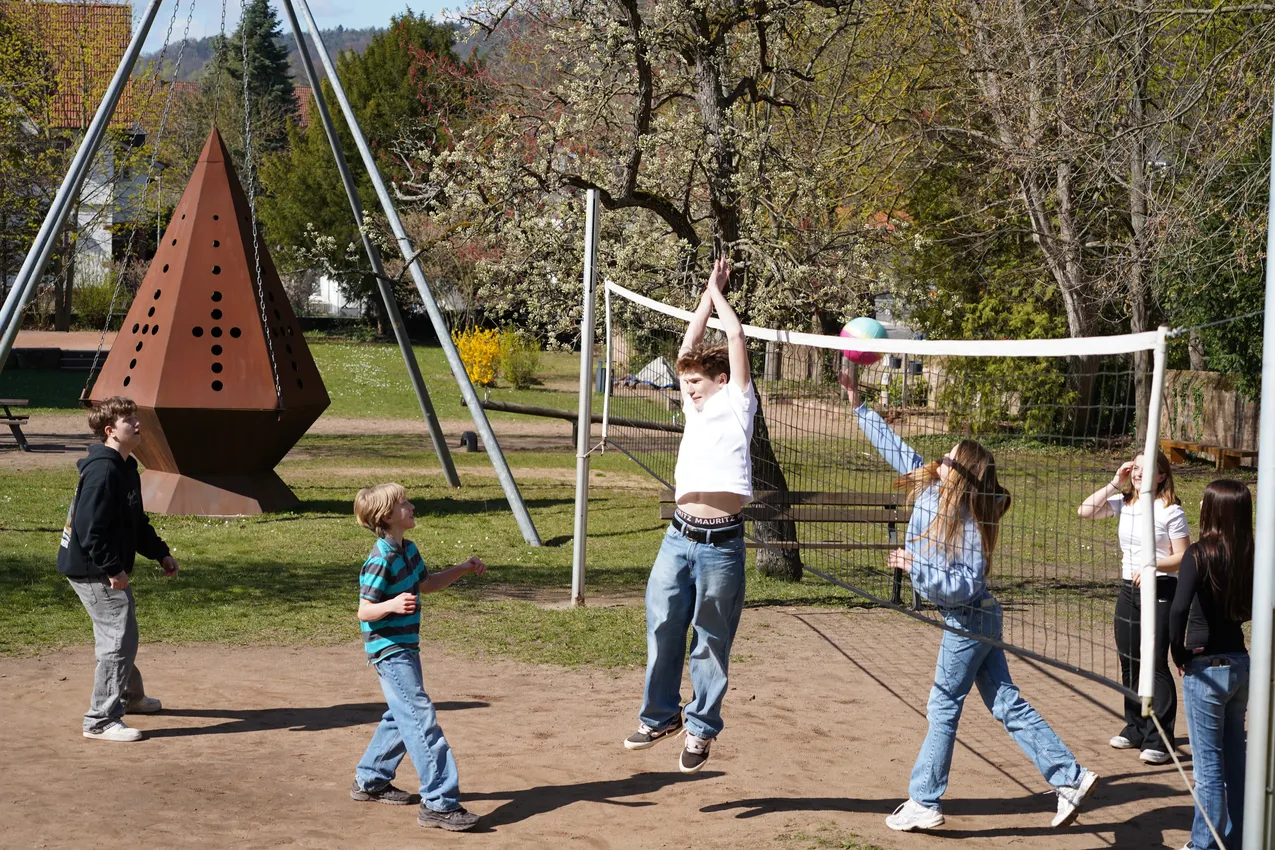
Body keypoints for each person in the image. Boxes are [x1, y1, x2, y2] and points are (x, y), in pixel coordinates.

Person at [839, 370, 1097, 832]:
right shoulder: (931, 488)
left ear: (958, 471)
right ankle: (1070, 777)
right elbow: (893, 448)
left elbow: (964, 583)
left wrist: (914, 567)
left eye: (951, 455)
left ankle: (924, 800)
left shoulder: (970, 521)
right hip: (975, 620)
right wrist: (858, 404)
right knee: (1004, 702)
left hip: (968, 620)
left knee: (943, 706)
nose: (942, 455)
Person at [624, 257, 755, 774]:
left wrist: (721, 297)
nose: (690, 387)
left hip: (722, 544)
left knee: (710, 641)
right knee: (661, 625)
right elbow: (684, 351)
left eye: (698, 380)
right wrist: (703, 299)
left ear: (721, 379)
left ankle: (700, 730)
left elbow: (737, 338)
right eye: (688, 382)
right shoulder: (694, 410)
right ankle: (660, 716)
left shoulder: (738, 403)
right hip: (678, 538)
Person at [351, 482, 487, 832]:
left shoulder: (409, 550)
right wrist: (392, 605)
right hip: (389, 649)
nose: (411, 506)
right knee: (420, 717)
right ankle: (439, 803)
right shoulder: (379, 559)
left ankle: (371, 778)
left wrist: (462, 568)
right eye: (403, 503)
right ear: (386, 516)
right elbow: (364, 611)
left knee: (402, 715)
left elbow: (426, 584)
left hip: (407, 647)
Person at [57, 396, 179, 743]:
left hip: (100, 564)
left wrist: (161, 554)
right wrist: (112, 568)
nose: (137, 424)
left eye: (135, 418)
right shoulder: (103, 470)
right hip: (90, 567)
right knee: (118, 637)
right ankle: (99, 719)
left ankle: (131, 697)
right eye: (129, 420)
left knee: (120, 634)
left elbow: (135, 522)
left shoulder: (125, 468)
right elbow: (88, 527)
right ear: (110, 431)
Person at [1077, 451, 1190, 765]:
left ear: (1162, 475)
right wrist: (1115, 483)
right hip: (1129, 590)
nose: (1138, 473)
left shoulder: (1170, 510)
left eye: (1146, 469)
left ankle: (1160, 738)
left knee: (1154, 665)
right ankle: (1136, 726)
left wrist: (1153, 566)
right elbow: (1084, 511)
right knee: (1129, 661)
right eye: (1135, 467)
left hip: (1161, 589)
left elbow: (1184, 556)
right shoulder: (1126, 503)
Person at [1169, 479, 1253, 850]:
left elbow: (1177, 610)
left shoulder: (1199, 554)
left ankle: (1202, 844)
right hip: (1241, 665)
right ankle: (1238, 841)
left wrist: (1180, 654)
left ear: (1212, 510)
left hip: (1206, 669)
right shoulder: (1253, 554)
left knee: (1208, 768)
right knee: (1236, 757)